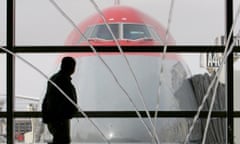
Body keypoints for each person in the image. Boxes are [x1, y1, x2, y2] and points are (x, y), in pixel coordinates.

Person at [42, 56, 78, 144]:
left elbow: (47, 99)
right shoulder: (64, 81)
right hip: (60, 119)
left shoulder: (53, 78)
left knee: (59, 139)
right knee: (63, 140)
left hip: (53, 119)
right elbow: (68, 101)